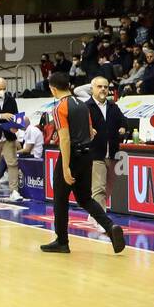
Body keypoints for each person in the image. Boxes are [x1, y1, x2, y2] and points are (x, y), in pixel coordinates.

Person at [40, 74, 125, 254]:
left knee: (60, 199)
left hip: (72, 155)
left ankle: (62, 241)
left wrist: (65, 167)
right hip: (88, 155)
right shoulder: (81, 104)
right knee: (85, 198)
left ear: (53, 89)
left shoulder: (60, 107)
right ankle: (110, 227)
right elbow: (91, 132)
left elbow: (64, 139)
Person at [87, 77, 126, 216]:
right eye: (99, 86)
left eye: (105, 86)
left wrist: (122, 127)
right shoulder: (87, 107)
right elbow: (79, 128)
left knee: (108, 187)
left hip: (113, 152)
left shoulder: (113, 106)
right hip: (96, 153)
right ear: (92, 89)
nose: (103, 89)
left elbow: (124, 121)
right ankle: (100, 217)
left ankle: (94, 212)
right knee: (98, 188)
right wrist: (88, 129)